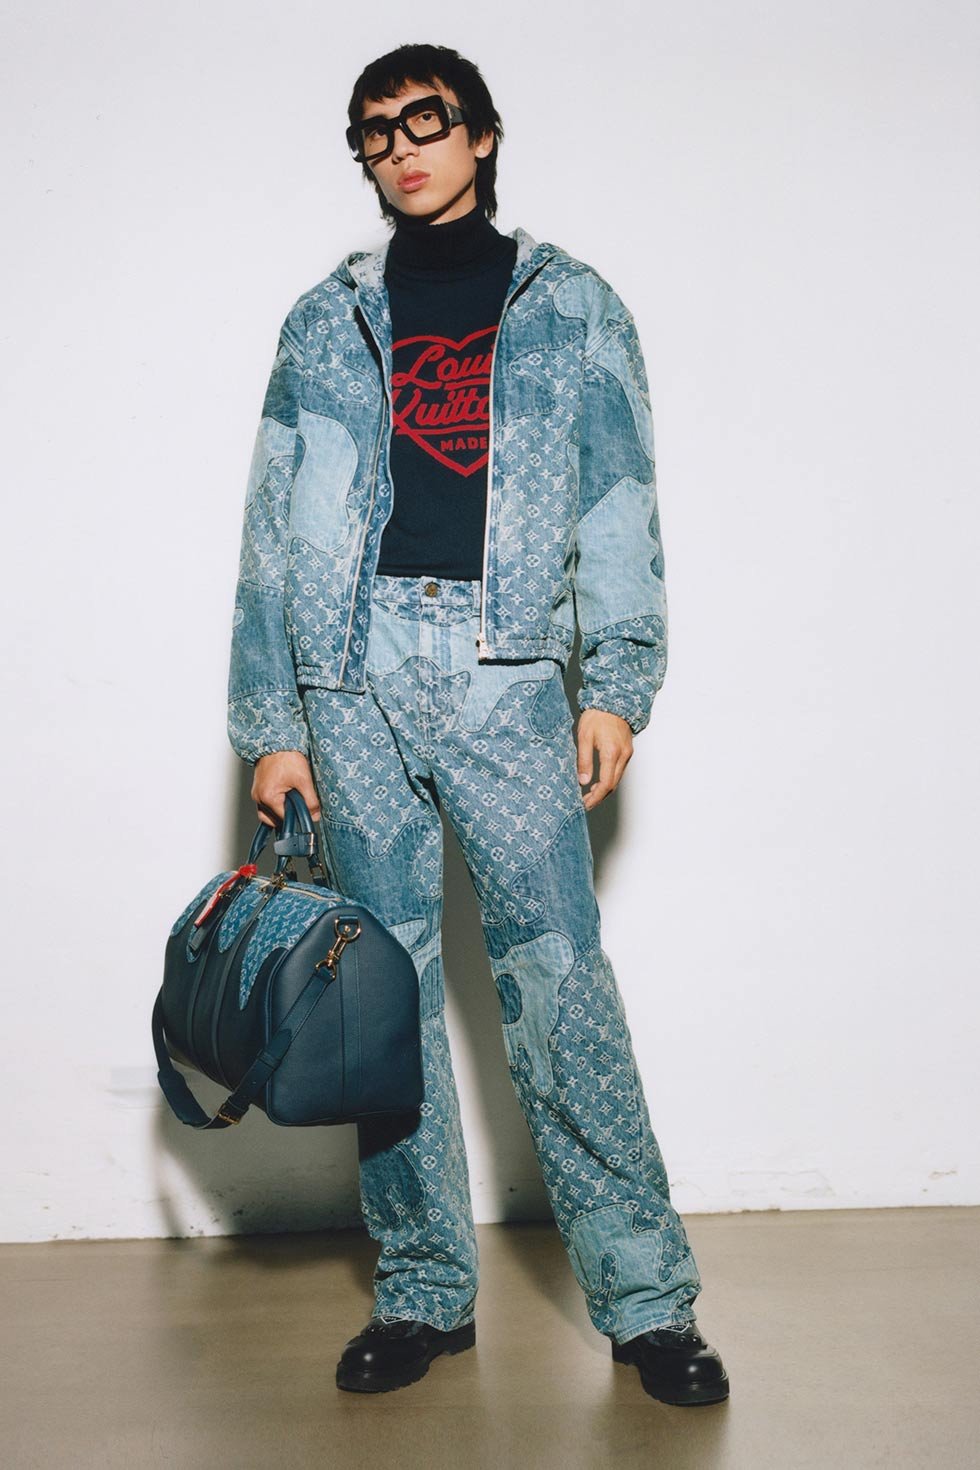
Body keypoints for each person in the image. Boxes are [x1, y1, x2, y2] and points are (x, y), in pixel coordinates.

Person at [226, 42, 730, 1407]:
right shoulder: (323, 322)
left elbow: (619, 495)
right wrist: (273, 719)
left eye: (425, 119)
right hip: (350, 676)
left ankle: (647, 1304)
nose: (400, 147)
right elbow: (270, 527)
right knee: (379, 996)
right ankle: (423, 1287)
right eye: (374, 131)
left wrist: (615, 681)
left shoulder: (572, 308)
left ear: (483, 134)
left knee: (560, 981)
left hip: (509, 673)